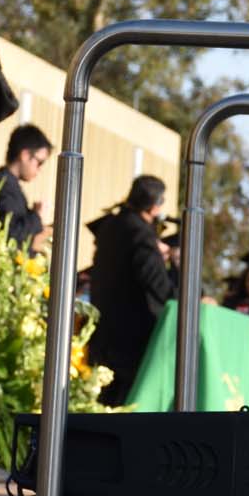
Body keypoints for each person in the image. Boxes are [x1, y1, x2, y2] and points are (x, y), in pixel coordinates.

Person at [85, 173, 178, 405]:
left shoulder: (110, 226)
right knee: (124, 408)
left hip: (103, 333)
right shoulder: (141, 234)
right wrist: (184, 300)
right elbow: (156, 283)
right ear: (155, 206)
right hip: (129, 341)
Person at [0, 125, 52, 250]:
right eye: (39, 162)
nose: (40, 169)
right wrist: (36, 216)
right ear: (24, 155)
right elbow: (10, 234)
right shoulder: (4, 186)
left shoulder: (9, 185)